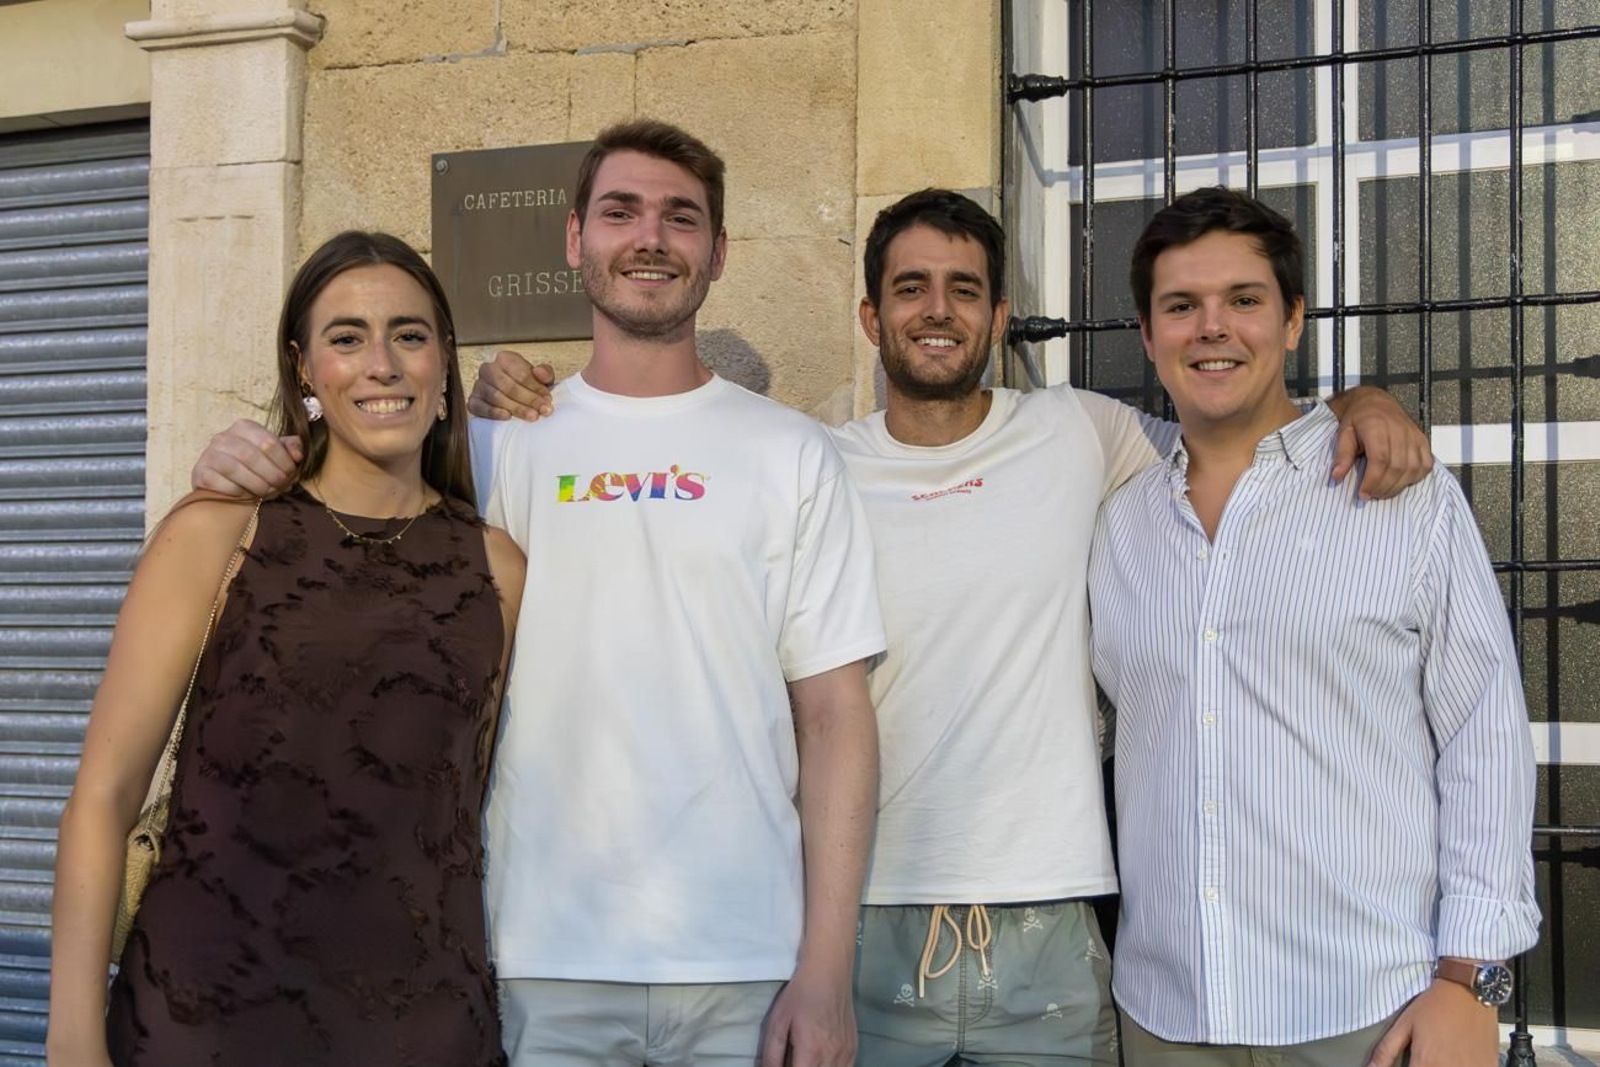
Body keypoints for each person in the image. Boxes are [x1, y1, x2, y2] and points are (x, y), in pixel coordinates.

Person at [470, 188, 1434, 1066]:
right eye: (911, 287)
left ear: (999, 317)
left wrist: (1357, 405)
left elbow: (1235, 421)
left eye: (965, 288)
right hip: (863, 925)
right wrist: (508, 400)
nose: (938, 309)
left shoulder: (1080, 433)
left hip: (1048, 931)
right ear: (870, 317)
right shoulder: (809, 460)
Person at [186, 119, 885, 1067]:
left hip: (745, 961)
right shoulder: (492, 449)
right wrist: (240, 453)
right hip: (535, 957)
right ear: (574, 239)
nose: (651, 237)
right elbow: (336, 499)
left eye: (682, 218)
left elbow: (837, 717)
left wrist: (826, 971)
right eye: (621, 211)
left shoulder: (791, 451)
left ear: (718, 252)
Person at [47, 231, 526, 1066]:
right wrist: (72, 1037)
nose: (381, 363)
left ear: (444, 364)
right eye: (347, 338)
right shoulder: (218, 534)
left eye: (409, 335)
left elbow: (457, 809)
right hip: (199, 1026)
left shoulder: (496, 567)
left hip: (421, 1032)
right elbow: (104, 796)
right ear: (305, 369)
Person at [1088, 187, 1538, 1067]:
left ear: (1292, 321)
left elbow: (1485, 738)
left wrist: (1471, 980)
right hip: (1166, 1013)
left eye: (1244, 301)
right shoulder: (1118, 523)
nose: (1212, 328)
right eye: (1182, 306)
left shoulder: (1401, 497)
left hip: (1369, 1012)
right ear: (1147, 335)